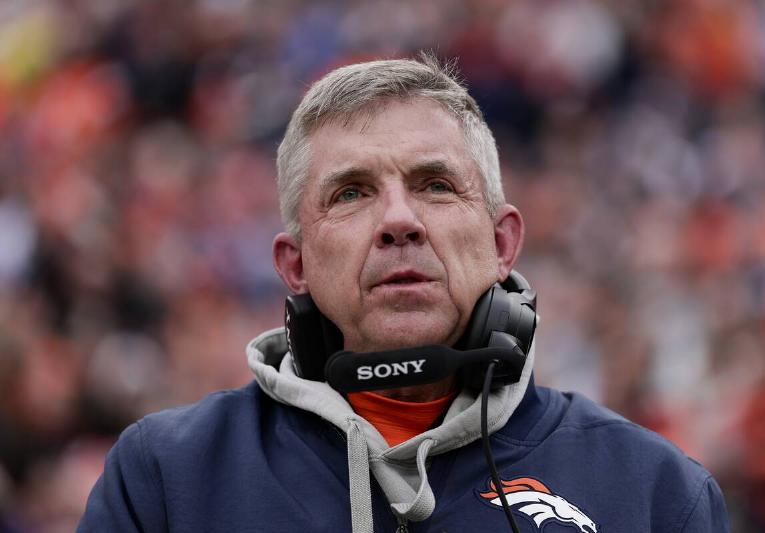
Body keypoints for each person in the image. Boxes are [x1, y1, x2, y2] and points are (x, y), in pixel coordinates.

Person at [79, 54, 729, 533]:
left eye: (435, 184)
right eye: (353, 191)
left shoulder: (654, 492)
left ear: (503, 244)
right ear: (294, 262)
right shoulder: (166, 478)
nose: (399, 219)